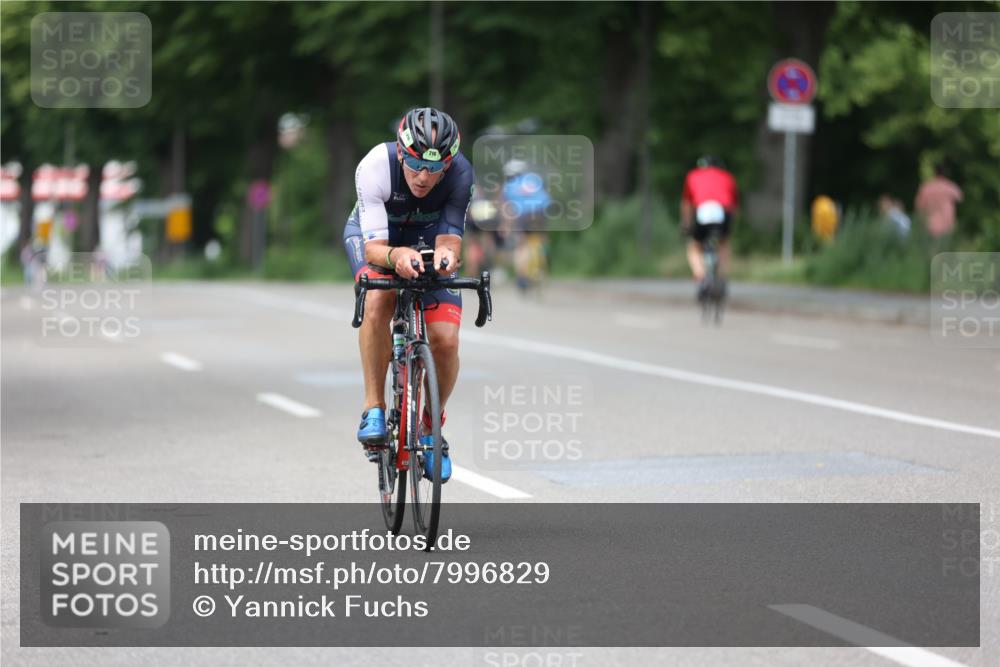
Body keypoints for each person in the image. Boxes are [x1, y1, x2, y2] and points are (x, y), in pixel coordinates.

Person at [342, 107, 474, 483]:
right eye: (416, 164)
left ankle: (432, 429)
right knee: (379, 299)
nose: (423, 176)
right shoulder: (375, 166)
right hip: (376, 240)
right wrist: (397, 256)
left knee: (446, 339)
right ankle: (374, 407)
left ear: (448, 165)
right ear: (402, 153)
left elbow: (450, 239)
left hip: (427, 241)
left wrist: (448, 258)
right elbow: (375, 249)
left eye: (435, 168)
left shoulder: (461, 174)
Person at [680, 156, 739, 300]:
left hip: (703, 211)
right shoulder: (727, 176)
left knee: (694, 246)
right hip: (723, 212)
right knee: (724, 243)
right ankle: (722, 278)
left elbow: (687, 204)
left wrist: (686, 223)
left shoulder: (693, 175)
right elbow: (734, 206)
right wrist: (730, 227)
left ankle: (701, 278)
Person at [500, 159, 551, 294]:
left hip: (522, 216)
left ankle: (522, 279)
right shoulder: (534, 180)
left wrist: (506, 225)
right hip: (540, 212)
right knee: (541, 236)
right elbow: (545, 197)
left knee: (520, 246)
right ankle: (544, 260)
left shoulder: (508, 186)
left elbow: (508, 209)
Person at [914, 163, 962, 241]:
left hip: (929, 224)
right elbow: (959, 198)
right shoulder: (950, 187)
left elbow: (919, 206)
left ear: (935, 172)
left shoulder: (926, 187)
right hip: (946, 224)